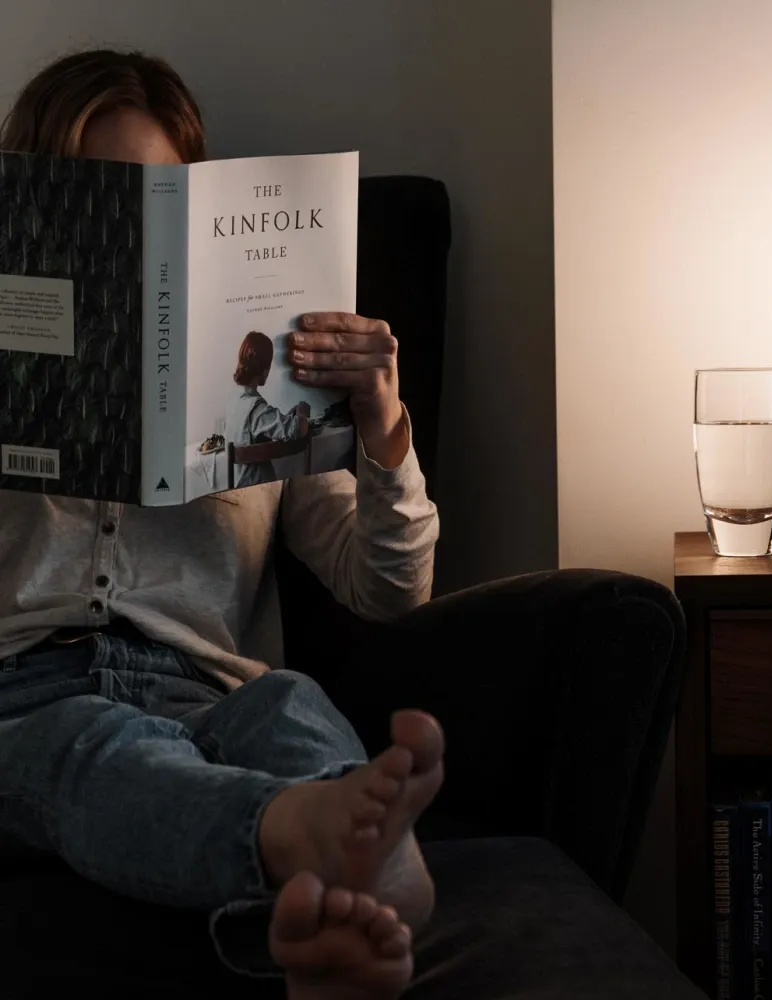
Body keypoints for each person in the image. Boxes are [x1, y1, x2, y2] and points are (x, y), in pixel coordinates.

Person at [0, 49, 445, 1000]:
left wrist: (380, 423)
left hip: (211, 688)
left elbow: (391, 586)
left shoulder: (274, 376)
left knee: (290, 705)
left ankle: (346, 893)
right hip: (26, 696)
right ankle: (318, 846)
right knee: (93, 743)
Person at [226, 330, 311, 488]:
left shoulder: (234, 401)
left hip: (238, 487)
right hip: (259, 490)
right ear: (264, 368)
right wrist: (302, 411)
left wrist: (286, 417)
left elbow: (257, 429)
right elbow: (299, 429)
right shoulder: (256, 409)